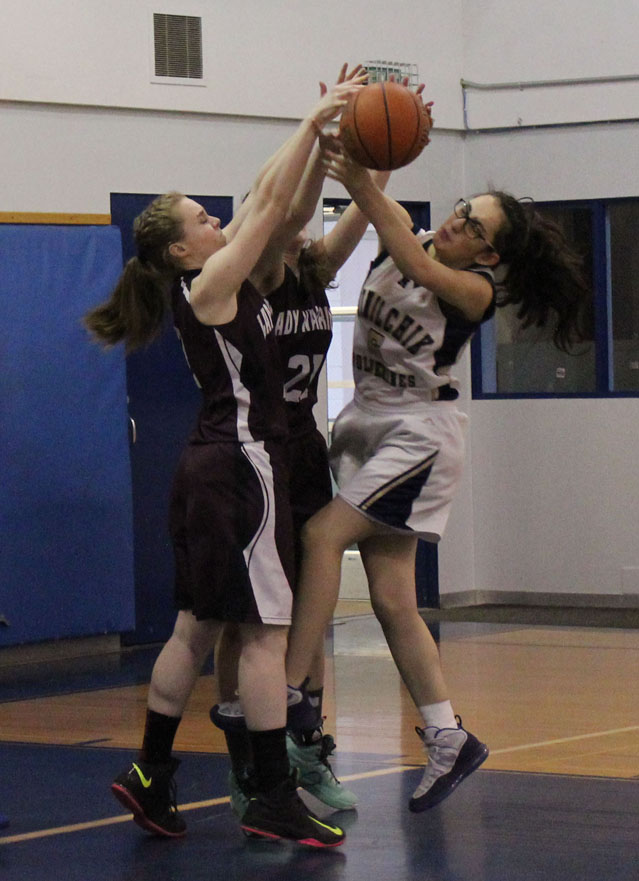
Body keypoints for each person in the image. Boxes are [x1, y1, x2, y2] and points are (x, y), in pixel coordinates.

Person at [84, 69, 365, 848]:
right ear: (181, 246)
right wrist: (312, 124)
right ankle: (273, 790)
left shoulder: (204, 281)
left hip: (205, 465)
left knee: (195, 629)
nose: (218, 222)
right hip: (243, 466)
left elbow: (277, 208)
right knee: (266, 636)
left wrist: (319, 144)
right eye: (203, 218)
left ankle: (149, 768)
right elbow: (270, 206)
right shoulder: (209, 281)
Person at [283, 145, 589, 813]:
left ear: (487, 256)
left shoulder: (472, 289)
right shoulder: (408, 234)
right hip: (365, 422)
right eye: (461, 212)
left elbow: (409, 253)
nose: (456, 224)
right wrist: (371, 144)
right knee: (393, 597)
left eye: (474, 228)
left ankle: (292, 697)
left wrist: (358, 182)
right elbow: (382, 211)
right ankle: (448, 733)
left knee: (320, 536)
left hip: (418, 434)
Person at [210, 149, 392, 818]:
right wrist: (315, 148)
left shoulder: (312, 270)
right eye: (288, 211)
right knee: (250, 621)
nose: (298, 218)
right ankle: (246, 764)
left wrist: (380, 155)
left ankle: (306, 747)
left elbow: (351, 213)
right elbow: (289, 208)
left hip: (304, 455)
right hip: (254, 458)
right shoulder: (252, 276)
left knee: (306, 620)